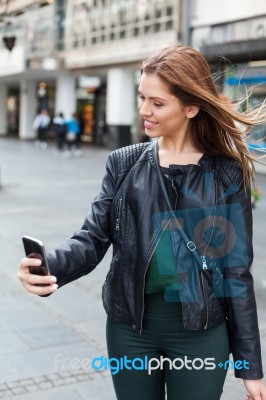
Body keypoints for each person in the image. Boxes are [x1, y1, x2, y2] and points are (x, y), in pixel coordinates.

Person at [18, 45, 266, 400]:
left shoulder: (226, 173)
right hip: (130, 330)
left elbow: (237, 272)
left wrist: (250, 367)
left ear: (192, 107)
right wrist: (50, 266)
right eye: (141, 98)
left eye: (157, 103)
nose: (143, 111)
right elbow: (91, 239)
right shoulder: (123, 163)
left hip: (200, 334)